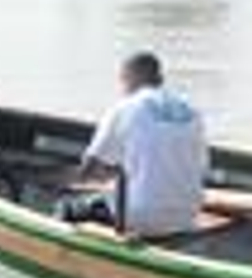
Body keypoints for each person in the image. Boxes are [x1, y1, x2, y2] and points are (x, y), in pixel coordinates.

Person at [70, 51, 207, 237]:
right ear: (160, 78)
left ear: (130, 78)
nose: (122, 88)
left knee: (68, 209)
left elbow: (88, 170)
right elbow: (200, 168)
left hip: (140, 217)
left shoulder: (125, 107)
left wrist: (98, 175)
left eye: (122, 81)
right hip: (189, 216)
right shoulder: (191, 110)